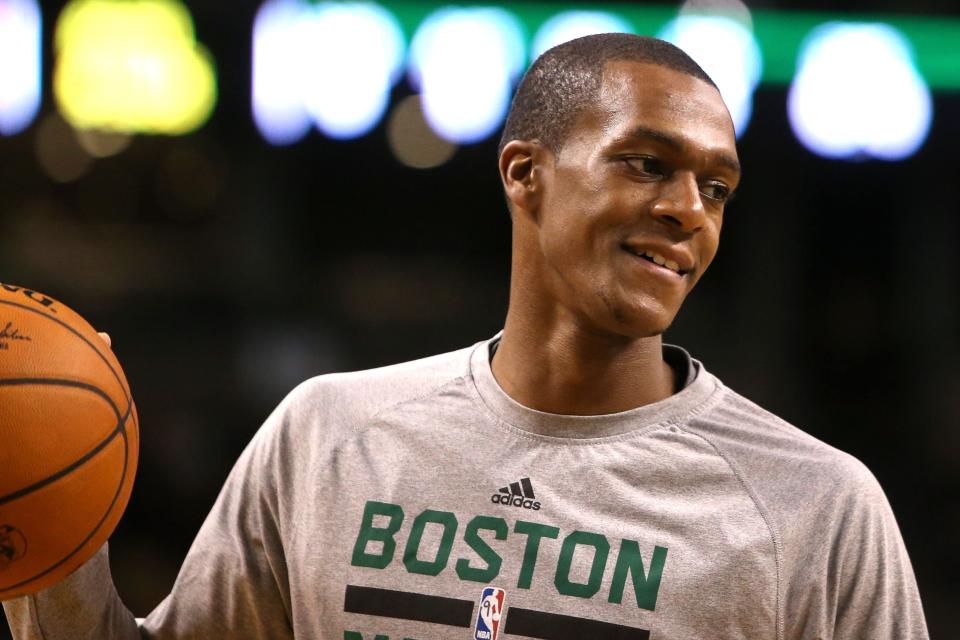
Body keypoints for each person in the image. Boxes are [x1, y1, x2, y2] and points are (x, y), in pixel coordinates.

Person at [2, 33, 928, 640]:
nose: (689, 211)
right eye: (649, 164)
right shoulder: (325, 434)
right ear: (526, 174)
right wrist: (55, 516)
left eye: (717, 187)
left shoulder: (819, 508)